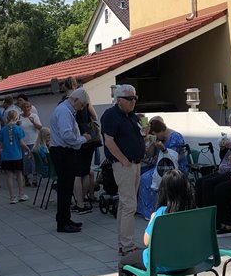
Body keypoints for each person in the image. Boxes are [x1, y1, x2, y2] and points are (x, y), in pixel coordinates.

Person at [112, 170, 195, 276]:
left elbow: (147, 241)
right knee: (161, 255)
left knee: (124, 264)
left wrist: (152, 219)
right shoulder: (194, 210)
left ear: (164, 191)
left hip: (164, 262)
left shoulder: (161, 213)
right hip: (189, 261)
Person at [100, 84, 146, 254]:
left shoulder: (131, 115)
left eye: (135, 98)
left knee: (125, 204)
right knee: (129, 205)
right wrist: (124, 161)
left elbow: (139, 135)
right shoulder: (111, 116)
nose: (133, 101)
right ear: (119, 100)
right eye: (129, 98)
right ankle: (127, 245)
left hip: (135, 163)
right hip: (124, 165)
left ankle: (124, 243)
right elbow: (109, 142)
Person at [49, 88, 92, 233]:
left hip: (65, 151)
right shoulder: (64, 111)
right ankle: (62, 222)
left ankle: (66, 219)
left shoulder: (66, 110)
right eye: (81, 106)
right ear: (75, 100)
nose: (81, 109)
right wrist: (82, 139)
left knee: (66, 188)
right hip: (63, 151)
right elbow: (66, 135)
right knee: (65, 188)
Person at [193, 109, 231, 220]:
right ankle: (204, 213)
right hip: (224, 169)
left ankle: (214, 218)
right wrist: (223, 148)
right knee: (199, 182)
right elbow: (223, 158)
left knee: (208, 184)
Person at [137, 119, 188, 219]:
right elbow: (150, 155)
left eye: (155, 134)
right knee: (142, 172)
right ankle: (145, 209)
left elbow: (175, 158)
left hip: (174, 167)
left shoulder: (175, 137)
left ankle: (152, 210)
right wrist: (151, 143)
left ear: (160, 131)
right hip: (161, 166)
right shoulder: (159, 139)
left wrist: (162, 148)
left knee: (146, 178)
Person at [0, 109, 30, 204]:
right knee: (19, 175)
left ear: (7, 118)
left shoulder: (3, 129)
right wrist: (27, 149)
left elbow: (1, 142)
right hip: (17, 155)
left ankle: (12, 197)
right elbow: (21, 142)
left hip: (6, 156)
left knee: (9, 176)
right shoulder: (18, 129)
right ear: (16, 118)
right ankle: (21, 194)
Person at [18, 98, 42, 186]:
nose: (27, 109)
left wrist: (33, 123)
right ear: (22, 108)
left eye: (28, 107)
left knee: (34, 160)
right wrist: (17, 125)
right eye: (25, 107)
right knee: (25, 160)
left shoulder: (34, 116)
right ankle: (26, 178)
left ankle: (35, 179)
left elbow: (40, 127)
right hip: (24, 142)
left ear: (30, 107)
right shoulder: (19, 117)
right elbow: (17, 129)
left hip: (33, 141)